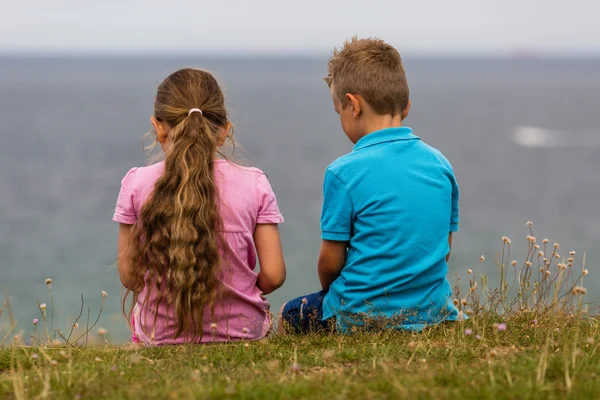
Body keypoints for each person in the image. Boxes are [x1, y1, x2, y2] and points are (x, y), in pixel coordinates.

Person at [280, 37, 460, 333]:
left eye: (338, 112)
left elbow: (330, 262)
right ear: (407, 106)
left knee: (290, 314)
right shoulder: (440, 165)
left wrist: (332, 295)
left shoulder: (343, 172)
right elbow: (444, 249)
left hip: (359, 316)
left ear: (352, 105)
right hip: (433, 313)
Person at [113, 68, 286, 345]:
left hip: (160, 336)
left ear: (158, 127)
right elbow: (274, 275)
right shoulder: (254, 183)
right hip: (243, 334)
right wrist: (241, 290)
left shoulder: (136, 183)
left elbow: (130, 276)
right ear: (224, 131)